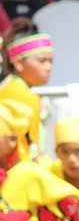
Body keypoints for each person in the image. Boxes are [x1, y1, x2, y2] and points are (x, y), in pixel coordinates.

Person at [0, 27, 52, 159]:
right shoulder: (20, 94)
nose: (48, 67)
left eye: (50, 61)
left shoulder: (13, 87)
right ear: (18, 63)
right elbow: (29, 147)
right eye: (41, 61)